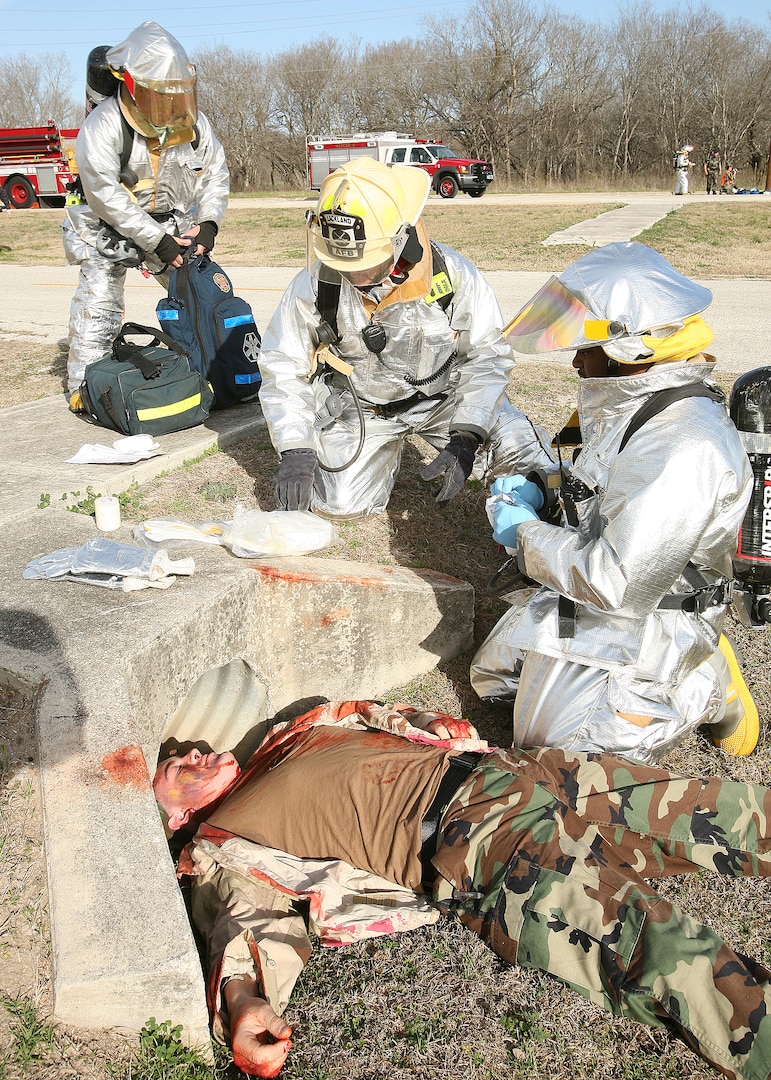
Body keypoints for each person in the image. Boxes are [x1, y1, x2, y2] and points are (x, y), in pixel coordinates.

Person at [153, 698, 771, 1080]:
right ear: (175, 815)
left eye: (189, 746)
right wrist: (243, 1003)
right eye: (176, 764)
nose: (193, 751)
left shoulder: (296, 735)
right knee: (667, 959)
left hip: (524, 774)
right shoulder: (229, 845)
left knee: (739, 813)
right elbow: (246, 922)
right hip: (478, 847)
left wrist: (430, 724)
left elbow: (397, 726)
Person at [470, 242, 758, 763]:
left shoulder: (685, 443)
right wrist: (543, 484)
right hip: (613, 585)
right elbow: (605, 484)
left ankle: (705, 680)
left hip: (648, 609)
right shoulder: (634, 397)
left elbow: (614, 583)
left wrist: (524, 535)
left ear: (630, 347)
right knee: (492, 678)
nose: (576, 359)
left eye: (587, 346)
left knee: (558, 755)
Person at [257, 156, 555, 518]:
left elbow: (488, 357)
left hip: (446, 400)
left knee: (533, 467)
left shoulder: (451, 275)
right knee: (337, 504)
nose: (356, 277)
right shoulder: (317, 282)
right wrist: (296, 448)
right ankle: (377, 454)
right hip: (366, 408)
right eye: (345, 265)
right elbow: (282, 365)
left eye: (366, 264)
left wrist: (467, 435)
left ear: (399, 242)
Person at [61, 21, 229, 396]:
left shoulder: (193, 124)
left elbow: (216, 172)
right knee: (99, 304)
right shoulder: (104, 125)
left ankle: (215, 371)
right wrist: (157, 241)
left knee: (202, 291)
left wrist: (208, 224)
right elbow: (104, 194)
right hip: (107, 229)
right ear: (133, 87)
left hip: (167, 223)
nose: (169, 105)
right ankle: (87, 390)